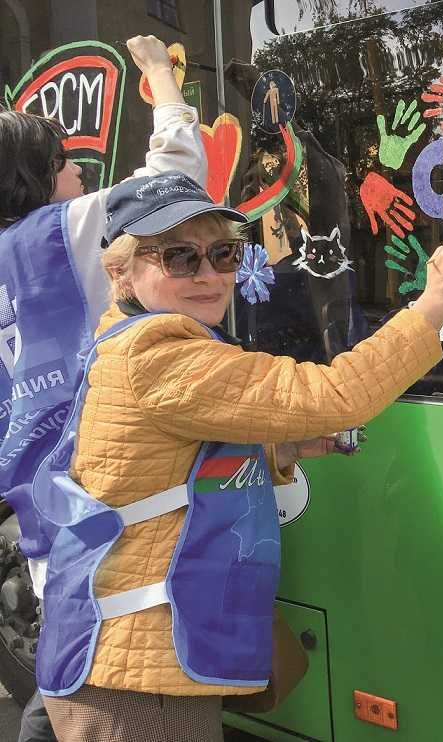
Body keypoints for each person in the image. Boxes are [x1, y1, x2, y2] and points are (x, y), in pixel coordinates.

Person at [33, 170, 443, 741]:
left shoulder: (128, 336)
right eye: (179, 258)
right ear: (121, 271)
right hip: (137, 678)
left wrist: (278, 447)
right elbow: (334, 396)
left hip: (129, 658)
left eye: (223, 254)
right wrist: (435, 304)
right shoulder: (157, 353)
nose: (209, 275)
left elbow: (156, 465)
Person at [0, 35, 207, 742]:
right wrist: (160, 77)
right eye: (63, 163)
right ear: (32, 176)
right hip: (107, 499)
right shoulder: (57, 234)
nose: (78, 173)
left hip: (39, 512)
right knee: (98, 686)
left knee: (68, 673)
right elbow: (177, 179)